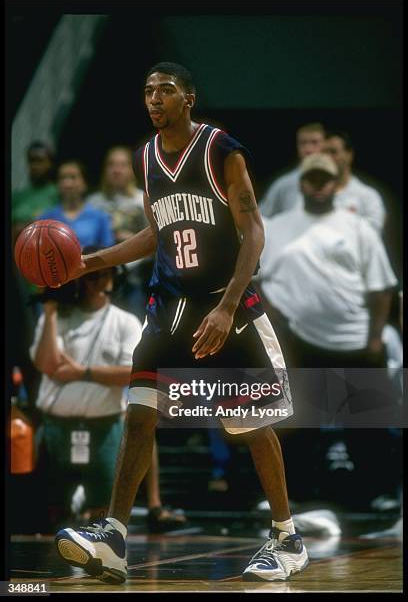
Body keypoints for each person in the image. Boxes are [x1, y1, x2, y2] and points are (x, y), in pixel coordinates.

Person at [54, 62, 308, 584]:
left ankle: (287, 537)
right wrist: (93, 261)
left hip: (226, 305)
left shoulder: (220, 150)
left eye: (165, 90)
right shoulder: (146, 156)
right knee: (140, 410)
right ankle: (115, 536)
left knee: (251, 427)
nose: (154, 98)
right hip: (169, 306)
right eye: (147, 91)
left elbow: (254, 231)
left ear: (188, 99)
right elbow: (157, 233)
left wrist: (227, 306)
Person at [29, 253, 186, 533]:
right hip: (57, 427)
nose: (96, 281)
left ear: (115, 278)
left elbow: (131, 372)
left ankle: (147, 507)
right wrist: (50, 312)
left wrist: (81, 372)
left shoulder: (125, 322)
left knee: (100, 516)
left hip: (104, 428)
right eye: (89, 276)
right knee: (50, 514)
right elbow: (46, 364)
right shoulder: (58, 318)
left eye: (104, 275)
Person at [257, 152, 398, 370]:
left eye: (325, 180)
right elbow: (254, 279)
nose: (319, 186)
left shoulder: (359, 228)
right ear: (301, 184)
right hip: (298, 344)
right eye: (312, 180)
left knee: (370, 404)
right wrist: (273, 319)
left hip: (355, 344)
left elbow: (381, 289)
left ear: (335, 184)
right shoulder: (276, 227)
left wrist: (375, 339)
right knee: (309, 404)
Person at [87, 146, 153, 320]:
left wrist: (131, 241)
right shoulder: (93, 203)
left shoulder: (141, 200)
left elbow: (156, 239)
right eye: (112, 165)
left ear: (132, 170)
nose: (117, 170)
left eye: (123, 165)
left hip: (134, 276)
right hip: (99, 275)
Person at [39, 160, 115, 249]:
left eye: (73, 177)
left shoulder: (100, 217)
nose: (67, 184)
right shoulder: (45, 219)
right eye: (62, 178)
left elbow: (109, 250)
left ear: (84, 183)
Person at [323, 130, 386, 233]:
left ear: (349, 155)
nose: (328, 158)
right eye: (324, 153)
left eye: (333, 152)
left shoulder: (368, 197)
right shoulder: (314, 196)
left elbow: (371, 237)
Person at [258, 122, 326, 217]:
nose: (308, 149)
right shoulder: (283, 184)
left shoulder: (340, 183)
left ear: (326, 145)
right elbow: (261, 219)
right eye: (303, 143)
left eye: (314, 142)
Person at [12, 141, 59, 241]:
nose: (35, 166)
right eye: (31, 161)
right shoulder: (17, 196)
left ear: (50, 163)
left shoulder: (58, 193)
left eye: (40, 161)